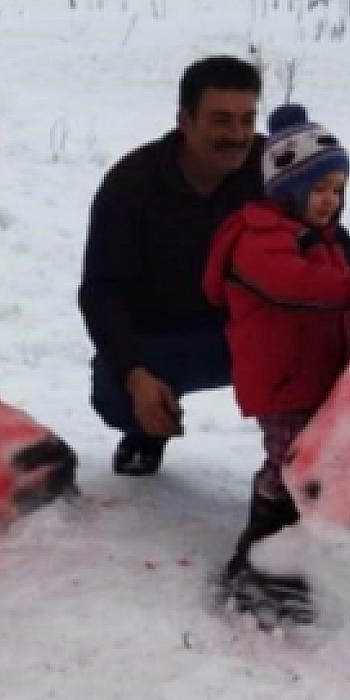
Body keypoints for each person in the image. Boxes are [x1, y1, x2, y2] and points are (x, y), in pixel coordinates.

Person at [202, 102, 350, 607]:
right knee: (286, 465)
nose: (329, 201)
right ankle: (255, 557)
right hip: (281, 381)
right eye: (318, 190)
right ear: (286, 189)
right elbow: (294, 285)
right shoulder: (258, 238)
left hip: (316, 376)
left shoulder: (324, 240)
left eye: (337, 191)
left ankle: (296, 554)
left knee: (313, 461)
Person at [77, 54, 266, 475]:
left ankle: (293, 465)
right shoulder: (132, 184)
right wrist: (134, 374)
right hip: (163, 341)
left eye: (246, 119)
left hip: (254, 333)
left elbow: (330, 243)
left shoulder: (274, 169)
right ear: (184, 119)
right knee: (116, 394)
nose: (237, 135)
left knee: (330, 351)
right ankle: (147, 427)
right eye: (220, 120)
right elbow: (101, 291)